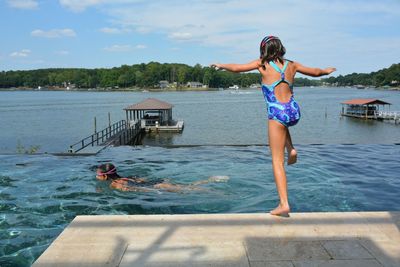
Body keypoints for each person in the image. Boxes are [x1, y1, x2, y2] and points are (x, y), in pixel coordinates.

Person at [211, 35, 336, 216]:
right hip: (293, 110)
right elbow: (315, 72)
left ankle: (284, 203)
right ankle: (291, 148)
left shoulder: (262, 64)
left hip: (277, 111)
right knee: (283, 125)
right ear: (280, 47)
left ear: (264, 49)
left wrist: (221, 65)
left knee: (277, 161)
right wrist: (326, 71)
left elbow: (237, 68)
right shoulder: (292, 65)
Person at [96, 163, 229, 192]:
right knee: (187, 187)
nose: (97, 176)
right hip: (158, 182)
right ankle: (211, 179)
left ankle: (217, 192)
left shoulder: (115, 184)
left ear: (105, 176)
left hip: (157, 186)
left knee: (188, 190)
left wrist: (157, 191)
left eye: (98, 174)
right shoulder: (126, 177)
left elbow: (136, 190)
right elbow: (141, 181)